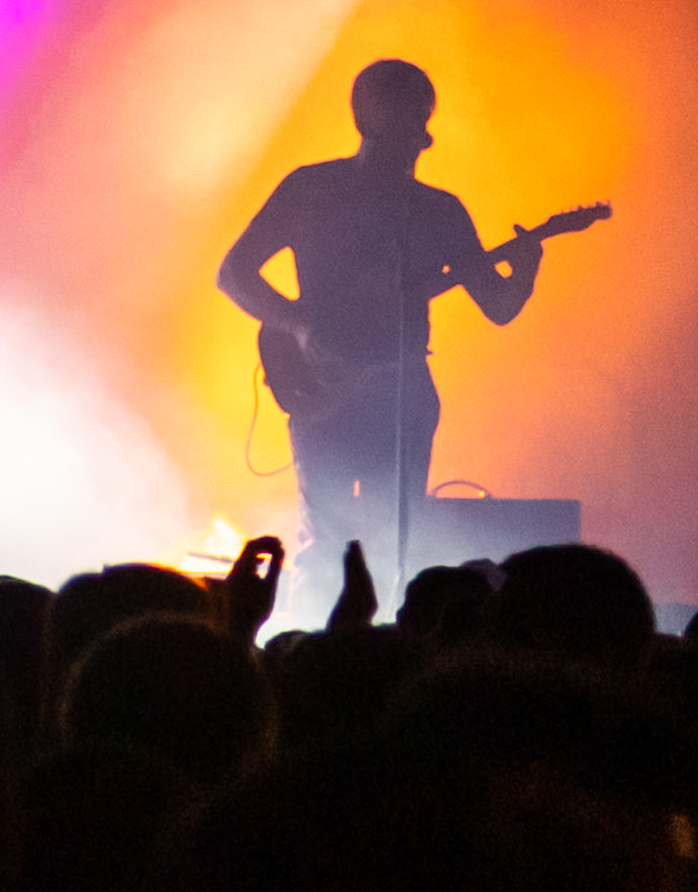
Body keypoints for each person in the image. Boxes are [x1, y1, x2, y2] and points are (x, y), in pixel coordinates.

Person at [214, 59, 569, 586]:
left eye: (417, 116)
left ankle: (384, 625)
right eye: (399, 115)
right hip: (326, 390)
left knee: (393, 541)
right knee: (326, 541)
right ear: (364, 116)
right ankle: (325, 626)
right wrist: (299, 325)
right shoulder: (312, 188)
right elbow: (233, 273)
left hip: (400, 389)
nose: (412, 132)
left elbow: (497, 307)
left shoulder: (439, 211)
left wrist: (526, 270)